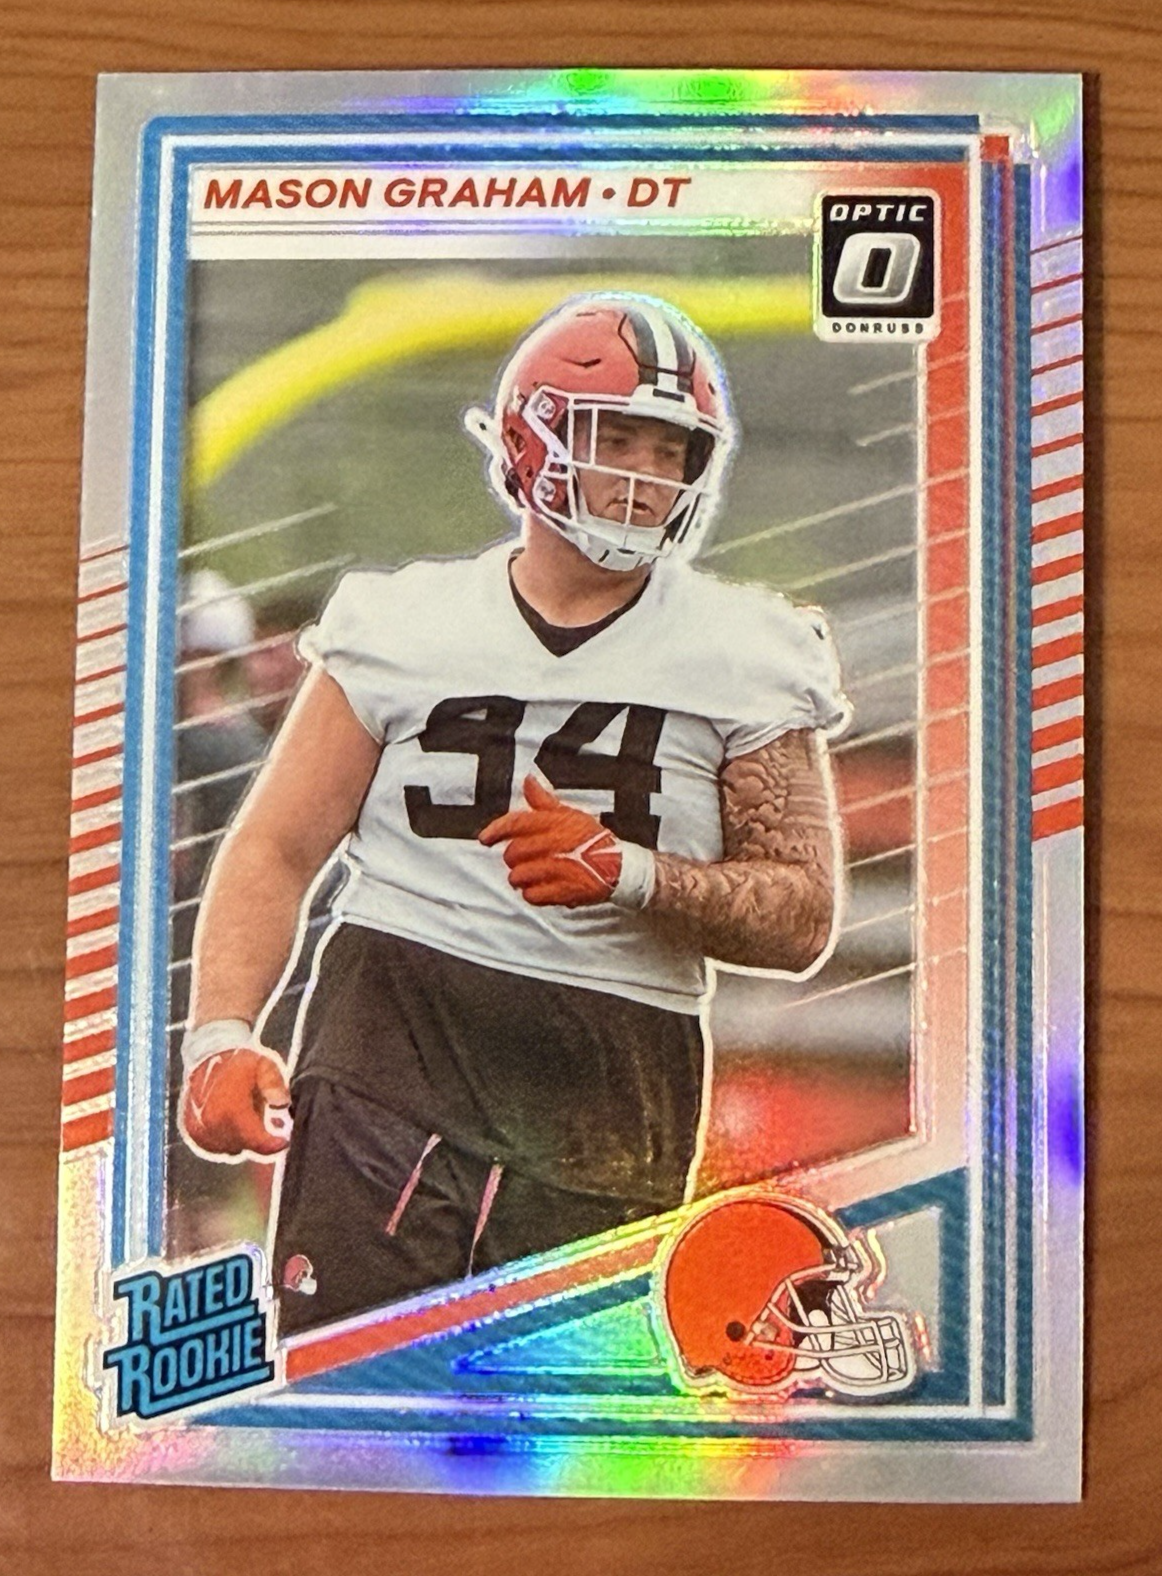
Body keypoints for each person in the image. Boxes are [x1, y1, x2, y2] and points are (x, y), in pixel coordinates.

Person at [177, 292, 849, 1336]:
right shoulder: (402, 620)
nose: (644, 473)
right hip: (392, 1031)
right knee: (354, 1379)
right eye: (613, 436)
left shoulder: (751, 649)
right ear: (531, 438)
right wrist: (221, 1032)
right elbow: (277, 845)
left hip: (611, 1074)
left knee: (551, 1402)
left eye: (669, 448)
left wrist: (627, 872)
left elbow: (802, 915)